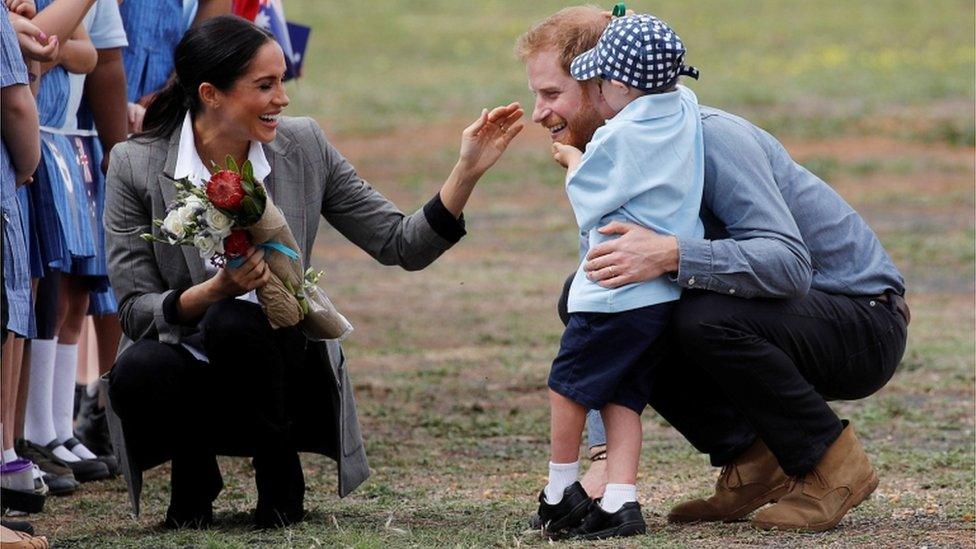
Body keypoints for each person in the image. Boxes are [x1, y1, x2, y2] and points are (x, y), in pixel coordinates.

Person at [104, 15, 523, 529]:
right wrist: (214, 291)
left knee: (234, 324)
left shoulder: (303, 145)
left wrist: (467, 171)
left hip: (285, 359)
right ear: (211, 94)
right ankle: (194, 478)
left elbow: (400, 244)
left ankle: (280, 477)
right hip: (186, 359)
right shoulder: (134, 164)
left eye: (282, 81)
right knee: (138, 370)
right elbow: (132, 310)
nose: (283, 98)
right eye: (265, 86)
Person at [516, 6, 908, 533]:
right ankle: (753, 461)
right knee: (595, 293)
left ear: (602, 83)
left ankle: (833, 465)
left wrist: (671, 253)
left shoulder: (709, 136)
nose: (539, 114)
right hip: (780, 314)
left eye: (551, 94)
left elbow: (790, 265)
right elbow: (601, 309)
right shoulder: (622, 149)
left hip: (862, 319)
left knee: (700, 316)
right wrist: (603, 457)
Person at [535, 13, 704, 540]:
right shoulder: (686, 108)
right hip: (661, 295)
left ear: (621, 86)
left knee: (567, 388)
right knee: (623, 396)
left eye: (601, 79)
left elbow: (591, 202)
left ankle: (560, 488)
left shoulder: (619, 136)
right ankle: (621, 499)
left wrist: (573, 160)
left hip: (613, 292)